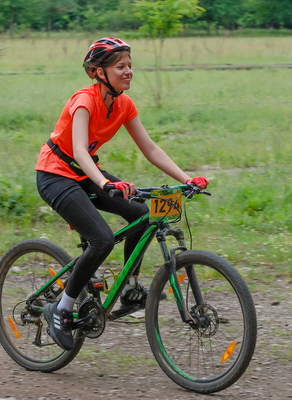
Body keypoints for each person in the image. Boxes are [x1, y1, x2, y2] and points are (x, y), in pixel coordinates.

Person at [35, 37, 209, 350]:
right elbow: (79, 150)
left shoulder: (124, 104)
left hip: (86, 173)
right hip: (55, 175)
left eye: (130, 65)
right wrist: (105, 183)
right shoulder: (84, 101)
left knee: (143, 214)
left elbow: (150, 148)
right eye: (120, 67)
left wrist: (188, 179)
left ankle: (130, 286)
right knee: (101, 239)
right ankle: (61, 308)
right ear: (98, 72)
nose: (128, 71)